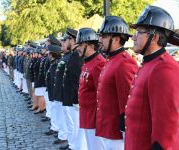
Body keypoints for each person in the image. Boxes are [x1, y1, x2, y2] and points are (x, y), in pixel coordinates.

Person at [125, 5, 179, 150]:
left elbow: (168, 127)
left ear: (154, 37)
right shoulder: (150, 63)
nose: (133, 36)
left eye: (138, 32)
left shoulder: (164, 68)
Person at [95, 16, 138, 150]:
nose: (100, 40)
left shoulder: (124, 62)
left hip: (117, 130)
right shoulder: (112, 59)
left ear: (117, 39)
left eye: (104, 36)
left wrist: (124, 130)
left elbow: (128, 99)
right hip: (108, 125)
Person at [76, 27, 106, 150]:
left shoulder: (99, 63)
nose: (78, 47)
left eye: (81, 44)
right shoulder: (87, 62)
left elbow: (102, 94)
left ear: (91, 46)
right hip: (87, 113)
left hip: (94, 116)